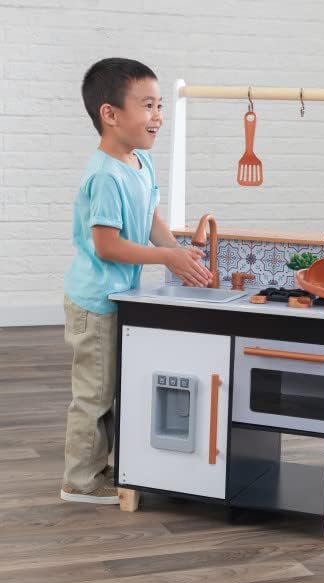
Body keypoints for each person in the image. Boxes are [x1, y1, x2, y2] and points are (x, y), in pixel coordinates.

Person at [61, 58, 212, 504]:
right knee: (94, 395)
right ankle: (81, 481)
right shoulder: (105, 176)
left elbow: (149, 218)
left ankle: (102, 465)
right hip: (95, 302)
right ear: (110, 114)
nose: (158, 116)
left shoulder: (140, 162)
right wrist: (167, 256)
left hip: (116, 297)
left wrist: (178, 253)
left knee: (112, 387)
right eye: (148, 105)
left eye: (159, 105)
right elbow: (107, 245)